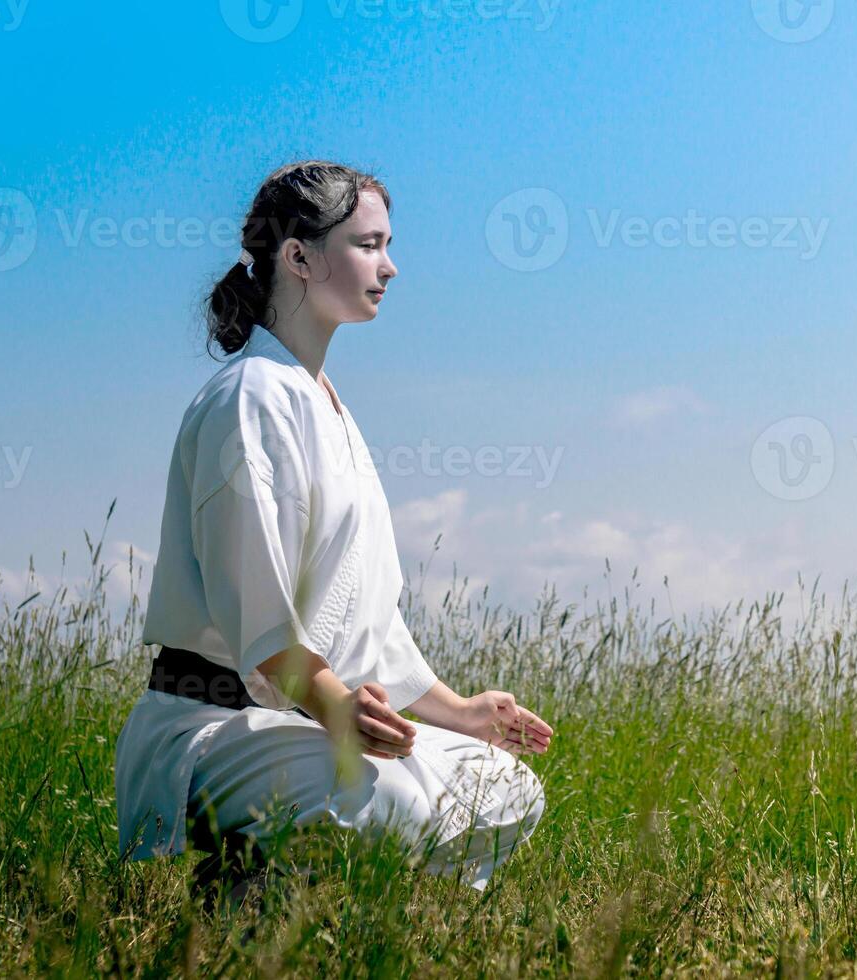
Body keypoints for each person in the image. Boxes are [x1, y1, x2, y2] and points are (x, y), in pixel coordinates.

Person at [113, 160, 553, 899]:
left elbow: (364, 621)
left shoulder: (324, 403)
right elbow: (254, 607)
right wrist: (336, 706)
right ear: (299, 257)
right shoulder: (251, 397)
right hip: (216, 725)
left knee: (503, 785)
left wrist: (460, 712)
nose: (391, 266)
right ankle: (242, 886)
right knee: (398, 803)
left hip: (309, 723)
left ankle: (342, 898)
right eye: (369, 245)